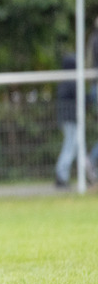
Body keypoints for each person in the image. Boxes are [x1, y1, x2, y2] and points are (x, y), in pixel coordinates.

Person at [54, 53, 97, 188]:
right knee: (70, 147)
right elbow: (82, 98)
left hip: (70, 119)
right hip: (71, 120)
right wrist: (92, 96)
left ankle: (90, 176)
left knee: (79, 147)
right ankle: (61, 175)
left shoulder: (65, 82)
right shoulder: (71, 82)